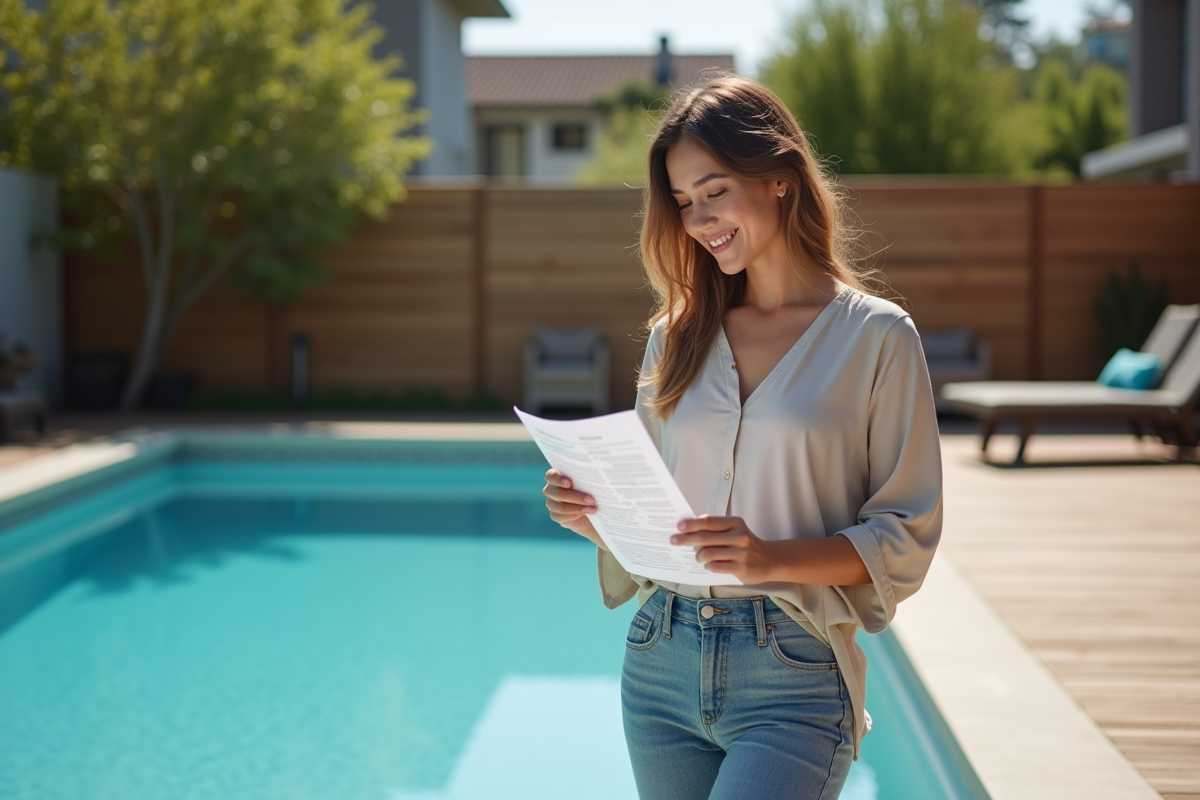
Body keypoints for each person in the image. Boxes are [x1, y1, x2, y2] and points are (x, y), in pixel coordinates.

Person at [541, 74, 943, 800]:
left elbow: (906, 535)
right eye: (684, 202)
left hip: (791, 669)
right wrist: (596, 518)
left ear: (780, 179)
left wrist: (770, 558)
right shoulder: (675, 336)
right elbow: (658, 516)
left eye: (714, 191)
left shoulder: (878, 337)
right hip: (660, 657)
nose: (698, 220)